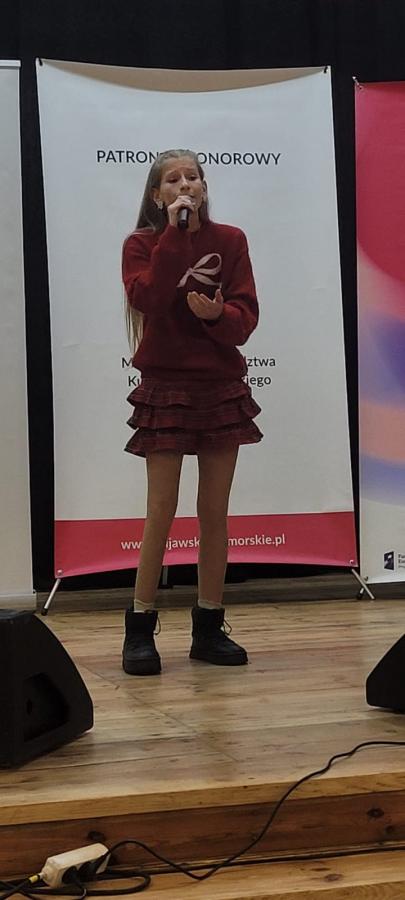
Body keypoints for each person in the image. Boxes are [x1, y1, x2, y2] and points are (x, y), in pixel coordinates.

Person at [121, 148, 262, 676]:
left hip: (219, 386)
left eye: (193, 177)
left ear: (204, 187)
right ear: (158, 196)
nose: (185, 185)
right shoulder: (142, 244)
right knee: (161, 509)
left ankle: (208, 626)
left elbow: (246, 316)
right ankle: (140, 626)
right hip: (167, 386)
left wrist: (219, 314)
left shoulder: (231, 240)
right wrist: (175, 236)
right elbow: (150, 299)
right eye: (173, 180)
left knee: (214, 512)